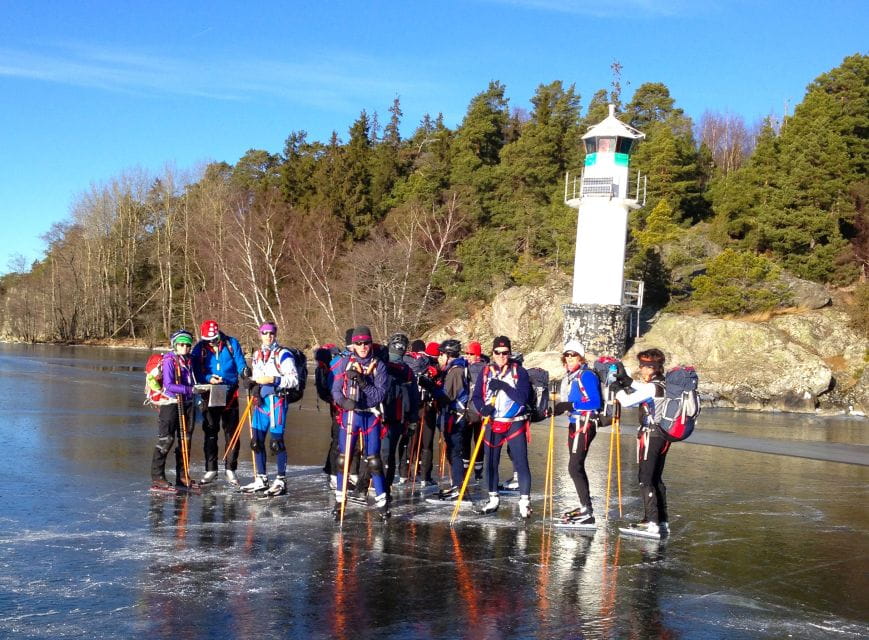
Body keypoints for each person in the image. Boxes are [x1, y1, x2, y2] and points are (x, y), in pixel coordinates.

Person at [331, 325, 390, 518]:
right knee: (343, 458)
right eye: (358, 343)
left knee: (373, 460)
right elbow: (336, 389)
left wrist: (363, 382)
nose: (363, 346)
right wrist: (343, 401)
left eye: (366, 343)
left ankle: (382, 502)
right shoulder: (345, 362)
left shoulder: (379, 365)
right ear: (353, 345)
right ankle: (340, 502)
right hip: (351, 414)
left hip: (370, 415)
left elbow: (378, 396)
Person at [471, 336, 533, 518]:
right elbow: (476, 397)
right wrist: (483, 409)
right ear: (492, 353)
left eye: (505, 353)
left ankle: (524, 501)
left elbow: (523, 398)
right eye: (498, 353)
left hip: (515, 422)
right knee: (491, 462)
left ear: (510, 353)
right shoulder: (485, 371)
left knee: (521, 462)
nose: (501, 356)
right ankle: (493, 498)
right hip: (493, 421)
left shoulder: (519, 372)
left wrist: (504, 386)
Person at [612, 348, 670, 538]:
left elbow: (628, 402)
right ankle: (661, 520)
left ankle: (651, 522)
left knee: (645, 479)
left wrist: (617, 390)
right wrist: (628, 381)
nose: (641, 368)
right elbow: (642, 390)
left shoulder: (651, 387)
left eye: (644, 366)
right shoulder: (662, 383)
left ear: (652, 367)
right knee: (655, 478)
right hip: (662, 435)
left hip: (650, 436)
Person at [239, 322, 299, 496]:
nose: (268, 336)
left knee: (276, 442)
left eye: (271, 333)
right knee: (256, 441)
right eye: (265, 333)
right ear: (260, 335)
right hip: (261, 402)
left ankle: (281, 480)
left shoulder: (283, 354)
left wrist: (273, 379)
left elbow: (294, 380)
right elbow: (257, 377)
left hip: (276, 401)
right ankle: (261, 478)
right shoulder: (257, 354)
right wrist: (251, 382)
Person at [191, 319, 249, 486]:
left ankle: (230, 469)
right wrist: (209, 378)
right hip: (210, 392)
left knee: (232, 433)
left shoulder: (231, 343)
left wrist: (245, 373)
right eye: (208, 339)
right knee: (211, 431)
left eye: (214, 338)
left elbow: (240, 363)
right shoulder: (199, 349)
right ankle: (211, 469)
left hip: (230, 392)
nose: (211, 342)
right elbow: (196, 372)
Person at [551, 340, 602, 525]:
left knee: (574, 466)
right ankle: (584, 507)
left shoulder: (586, 375)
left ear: (580, 357)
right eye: (567, 355)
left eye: (574, 355)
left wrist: (570, 405)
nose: (570, 358)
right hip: (575, 423)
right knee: (576, 466)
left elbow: (595, 403)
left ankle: (587, 510)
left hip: (585, 424)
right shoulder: (571, 377)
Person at [421, 339, 469, 501]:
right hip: (451, 416)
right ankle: (456, 485)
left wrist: (429, 386)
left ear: (449, 356)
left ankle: (458, 487)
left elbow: (447, 396)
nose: (439, 358)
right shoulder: (452, 369)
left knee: (455, 452)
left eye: (441, 355)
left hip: (455, 417)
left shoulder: (456, 371)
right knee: (452, 451)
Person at [150, 330, 197, 491]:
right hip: (170, 402)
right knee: (166, 439)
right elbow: (168, 385)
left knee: (185, 439)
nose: (185, 347)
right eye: (181, 344)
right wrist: (190, 390)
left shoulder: (189, 360)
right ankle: (157, 477)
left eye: (188, 345)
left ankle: (183, 476)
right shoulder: (169, 360)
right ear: (175, 345)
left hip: (187, 403)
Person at [416, 341, 443, 488]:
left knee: (414, 442)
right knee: (427, 443)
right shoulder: (435, 367)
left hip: (416, 407)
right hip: (429, 407)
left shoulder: (417, 362)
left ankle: (407, 472)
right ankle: (425, 477)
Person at [462, 341, 487, 482]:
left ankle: (472, 471)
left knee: (470, 441)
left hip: (472, 410)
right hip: (478, 410)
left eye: (471, 354)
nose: (468, 356)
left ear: (477, 355)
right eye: (467, 353)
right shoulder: (486, 367)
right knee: (477, 441)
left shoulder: (472, 369)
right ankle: (477, 472)